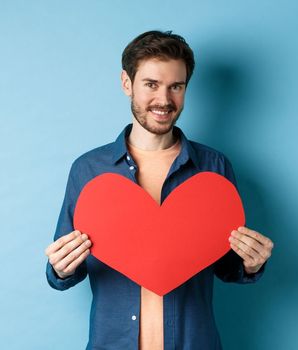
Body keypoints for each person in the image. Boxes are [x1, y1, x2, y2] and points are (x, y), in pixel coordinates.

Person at [43, 30, 274, 349]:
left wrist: (251, 263)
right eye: (151, 84)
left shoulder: (213, 168)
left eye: (176, 87)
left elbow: (226, 265)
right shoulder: (88, 171)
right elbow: (65, 270)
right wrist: (60, 268)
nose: (164, 100)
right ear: (127, 83)